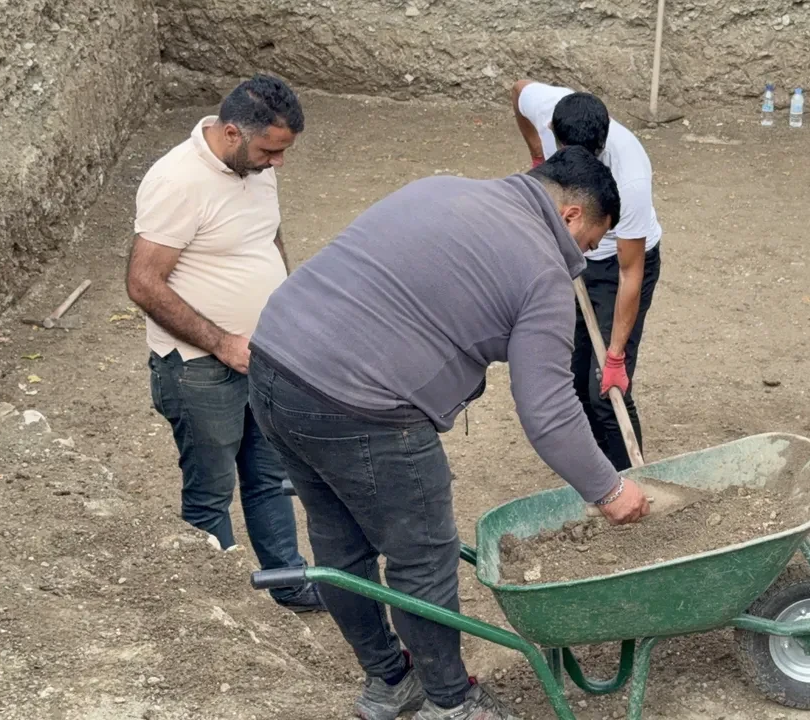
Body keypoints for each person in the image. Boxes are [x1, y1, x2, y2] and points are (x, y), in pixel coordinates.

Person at [246, 146, 653, 720]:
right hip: (364, 405)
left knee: (340, 546)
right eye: (587, 244)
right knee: (423, 559)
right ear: (569, 216)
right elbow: (548, 409)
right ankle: (450, 703)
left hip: (273, 366)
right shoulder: (542, 270)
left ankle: (390, 682)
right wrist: (609, 490)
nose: (581, 260)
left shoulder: (441, 187)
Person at [126, 74, 323, 613]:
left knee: (269, 476)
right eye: (271, 150)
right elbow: (143, 282)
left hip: (262, 357)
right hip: (197, 368)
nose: (278, 162)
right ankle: (221, 613)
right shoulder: (176, 180)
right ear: (233, 132)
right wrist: (222, 343)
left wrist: (285, 311)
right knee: (211, 493)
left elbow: (269, 236)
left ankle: (287, 582)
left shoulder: (254, 166)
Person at [512, 79, 663, 470]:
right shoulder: (548, 109)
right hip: (571, 252)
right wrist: (534, 153)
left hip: (619, 266)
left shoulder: (630, 177)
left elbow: (631, 272)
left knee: (606, 388)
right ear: (554, 135)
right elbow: (518, 90)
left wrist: (615, 358)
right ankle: (598, 479)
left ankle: (632, 481)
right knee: (575, 380)